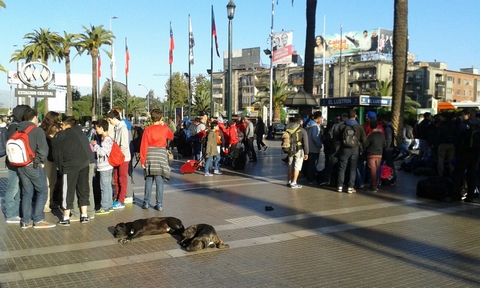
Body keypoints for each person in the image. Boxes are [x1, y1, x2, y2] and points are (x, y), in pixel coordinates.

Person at [17, 107, 56, 228]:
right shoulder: (36, 130)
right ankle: (38, 219)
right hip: (33, 164)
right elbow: (44, 149)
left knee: (27, 192)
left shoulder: (18, 129)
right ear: (34, 117)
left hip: (20, 165)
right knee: (42, 191)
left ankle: (25, 221)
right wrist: (40, 162)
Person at [53, 117, 92, 226]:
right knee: (83, 189)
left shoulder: (60, 136)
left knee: (68, 190)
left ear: (66, 125)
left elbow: (57, 154)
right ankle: (84, 215)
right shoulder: (77, 133)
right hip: (84, 162)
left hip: (70, 165)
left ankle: (65, 218)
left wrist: (61, 168)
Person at [140, 109, 174, 210]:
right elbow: (171, 136)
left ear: (151, 118)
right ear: (161, 118)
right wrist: (164, 125)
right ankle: (159, 204)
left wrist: (143, 160)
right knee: (159, 180)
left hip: (150, 155)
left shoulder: (147, 130)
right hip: (161, 155)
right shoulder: (164, 128)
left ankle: (146, 202)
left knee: (149, 179)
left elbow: (143, 145)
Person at [4, 105, 30, 224]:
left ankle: (17, 212)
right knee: (13, 188)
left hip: (16, 162)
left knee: (18, 188)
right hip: (14, 163)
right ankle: (10, 214)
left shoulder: (14, 126)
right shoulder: (15, 127)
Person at [451, 108, 480, 203]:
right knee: (472, 174)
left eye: (463, 114)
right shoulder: (478, 124)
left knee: (458, 173)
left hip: (464, 152)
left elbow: (457, 139)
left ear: (468, 115)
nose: (462, 117)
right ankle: (470, 196)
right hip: (476, 153)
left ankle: (456, 195)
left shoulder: (464, 125)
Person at [336, 109, 366, 193]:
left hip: (344, 149)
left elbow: (337, 138)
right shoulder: (359, 126)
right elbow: (364, 139)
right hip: (355, 149)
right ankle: (350, 187)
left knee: (342, 168)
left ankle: (340, 186)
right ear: (355, 116)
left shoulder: (342, 126)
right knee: (353, 168)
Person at [107, 109, 132, 210]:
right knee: (116, 179)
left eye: (110, 120)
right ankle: (117, 198)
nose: (109, 123)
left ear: (114, 118)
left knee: (122, 179)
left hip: (123, 158)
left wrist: (117, 153)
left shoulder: (123, 128)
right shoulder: (117, 128)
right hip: (118, 157)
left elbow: (124, 145)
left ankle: (121, 200)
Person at [39, 111, 63, 213]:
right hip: (46, 159)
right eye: (57, 118)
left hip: (53, 158)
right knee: (47, 182)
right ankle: (45, 203)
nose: (59, 120)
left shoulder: (57, 129)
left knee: (52, 181)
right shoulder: (42, 130)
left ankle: (51, 200)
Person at [91, 119, 114, 214]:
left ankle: (104, 207)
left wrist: (95, 146)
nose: (96, 131)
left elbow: (102, 152)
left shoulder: (106, 139)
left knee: (104, 187)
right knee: (108, 186)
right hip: (108, 165)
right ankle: (109, 205)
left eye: (97, 128)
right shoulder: (108, 138)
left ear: (101, 127)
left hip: (104, 166)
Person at [286, 116, 309, 189]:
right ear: (300, 122)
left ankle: (289, 181)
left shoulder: (288, 129)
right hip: (299, 150)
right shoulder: (302, 130)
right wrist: (306, 153)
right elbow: (305, 142)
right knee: (297, 167)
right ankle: (294, 182)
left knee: (290, 166)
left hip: (289, 149)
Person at [362, 121, 385, 192]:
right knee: (377, 169)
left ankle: (373, 185)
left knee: (372, 170)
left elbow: (365, 145)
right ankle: (376, 184)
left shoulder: (370, 135)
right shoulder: (381, 135)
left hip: (371, 154)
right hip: (379, 154)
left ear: (370, 127)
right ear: (377, 126)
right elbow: (384, 144)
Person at [305, 111, 323, 184]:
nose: (321, 120)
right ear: (318, 118)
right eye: (321, 118)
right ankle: (311, 178)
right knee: (313, 164)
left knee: (310, 163)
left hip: (309, 147)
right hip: (314, 148)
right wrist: (319, 144)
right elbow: (314, 136)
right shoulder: (315, 126)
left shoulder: (309, 124)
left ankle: (308, 177)